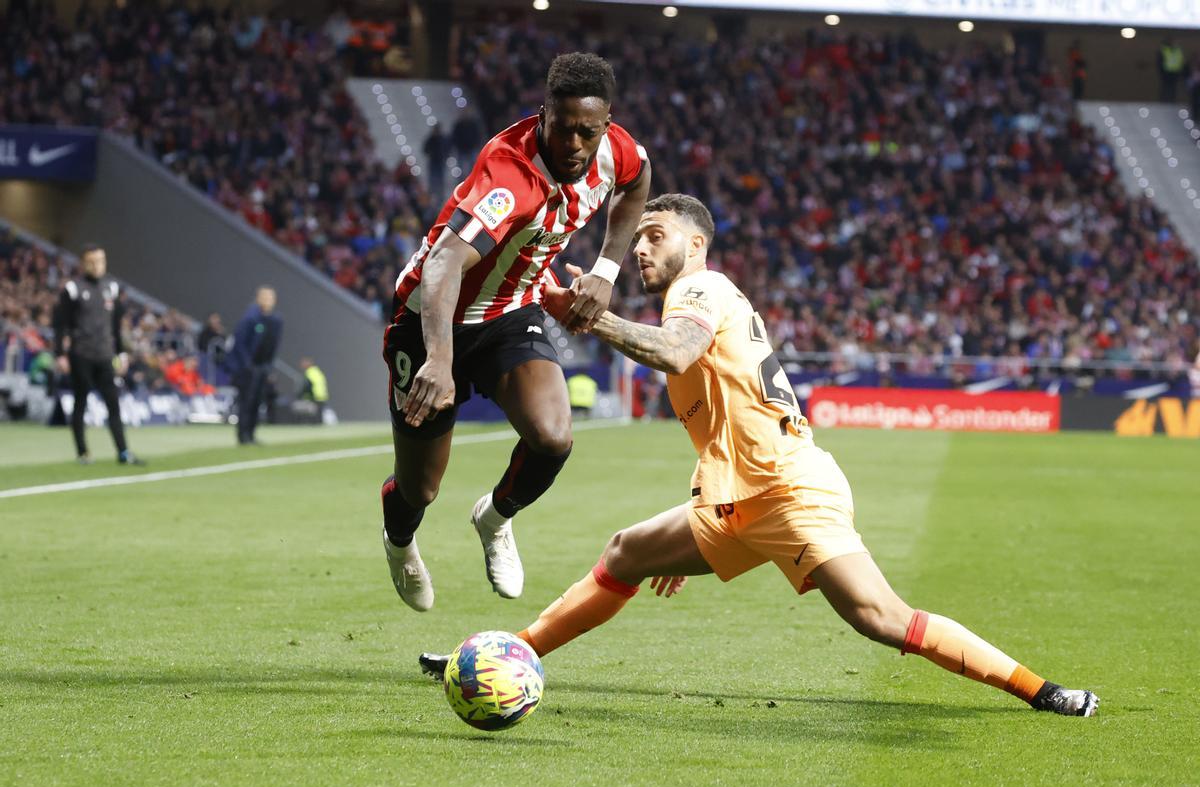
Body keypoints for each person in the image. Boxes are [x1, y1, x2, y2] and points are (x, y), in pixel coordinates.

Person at [419, 195, 1099, 717]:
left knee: (879, 618)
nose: (641, 250)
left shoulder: (699, 290)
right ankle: (502, 660)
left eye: (654, 236)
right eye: (639, 239)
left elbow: (677, 352)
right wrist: (701, 502)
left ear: (696, 243)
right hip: (737, 497)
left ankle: (1042, 690)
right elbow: (724, 413)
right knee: (627, 552)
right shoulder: (697, 299)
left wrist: (591, 317)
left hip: (788, 490)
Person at [381, 52, 651, 612]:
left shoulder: (615, 149)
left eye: (588, 131)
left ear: (606, 123)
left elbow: (637, 179)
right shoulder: (509, 175)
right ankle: (399, 542)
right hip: (431, 322)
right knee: (420, 489)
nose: (575, 144)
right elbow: (442, 266)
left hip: (509, 313)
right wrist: (438, 358)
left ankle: (495, 518)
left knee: (553, 437)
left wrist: (604, 271)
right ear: (543, 115)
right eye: (563, 128)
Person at [52, 244, 144, 466]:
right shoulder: (73, 289)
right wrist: (60, 354)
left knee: (113, 404)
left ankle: (123, 452)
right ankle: (83, 453)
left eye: (101, 260)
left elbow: (116, 326)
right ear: (84, 263)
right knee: (80, 402)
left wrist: (121, 354)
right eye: (92, 261)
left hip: (104, 354)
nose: (97, 265)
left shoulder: (110, 288)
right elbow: (60, 324)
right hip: (80, 354)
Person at [226, 285, 282, 445]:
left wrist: (269, 366)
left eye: (271, 298)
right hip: (249, 369)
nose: (269, 301)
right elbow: (240, 343)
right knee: (246, 402)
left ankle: (251, 433)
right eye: (266, 297)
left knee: (258, 401)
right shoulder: (250, 318)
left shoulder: (275, 320)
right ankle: (243, 435)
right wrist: (247, 365)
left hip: (263, 366)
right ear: (259, 299)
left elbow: (274, 344)